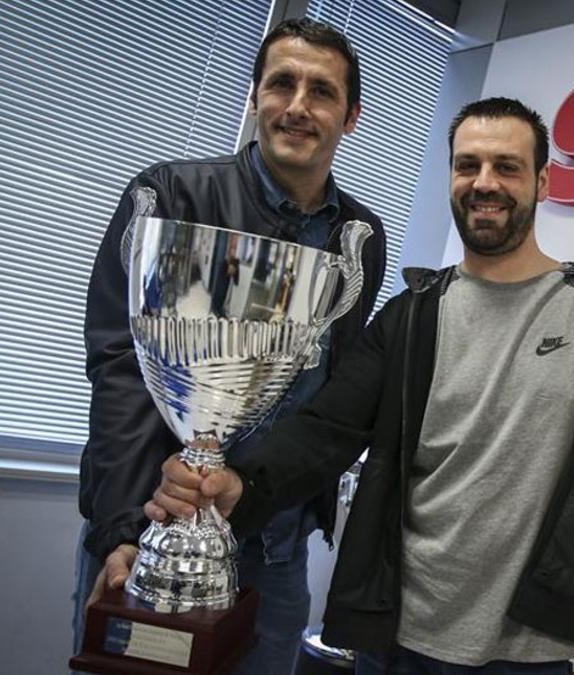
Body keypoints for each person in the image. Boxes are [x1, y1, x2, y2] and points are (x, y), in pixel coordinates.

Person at [148, 97, 574, 675]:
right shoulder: (411, 315)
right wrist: (239, 485)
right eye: (467, 165)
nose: (484, 183)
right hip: (396, 639)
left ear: (544, 182)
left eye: (507, 166)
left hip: (530, 647)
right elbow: (327, 430)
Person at [74, 17, 386, 675]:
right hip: (151, 526)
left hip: (273, 547)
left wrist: (259, 488)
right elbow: (124, 369)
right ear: (253, 97)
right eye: (282, 84)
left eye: (322, 91)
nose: (298, 106)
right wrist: (126, 527)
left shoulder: (359, 237)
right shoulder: (175, 197)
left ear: (351, 116)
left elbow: (331, 396)